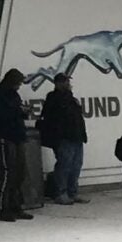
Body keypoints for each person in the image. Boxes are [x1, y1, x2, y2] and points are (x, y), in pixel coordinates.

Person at [0, 67, 33, 221]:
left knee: (20, 172)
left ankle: (16, 206)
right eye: (17, 83)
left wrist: (23, 112)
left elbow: (16, 111)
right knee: (8, 173)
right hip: (4, 136)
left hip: (18, 136)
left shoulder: (14, 95)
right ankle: (4, 209)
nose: (19, 86)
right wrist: (18, 111)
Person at [37, 70, 88, 205]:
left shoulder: (71, 98)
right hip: (64, 137)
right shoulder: (53, 98)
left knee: (76, 165)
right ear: (58, 83)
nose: (68, 84)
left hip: (76, 136)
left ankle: (73, 192)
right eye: (65, 81)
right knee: (64, 165)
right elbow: (51, 118)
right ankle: (60, 192)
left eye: (68, 81)